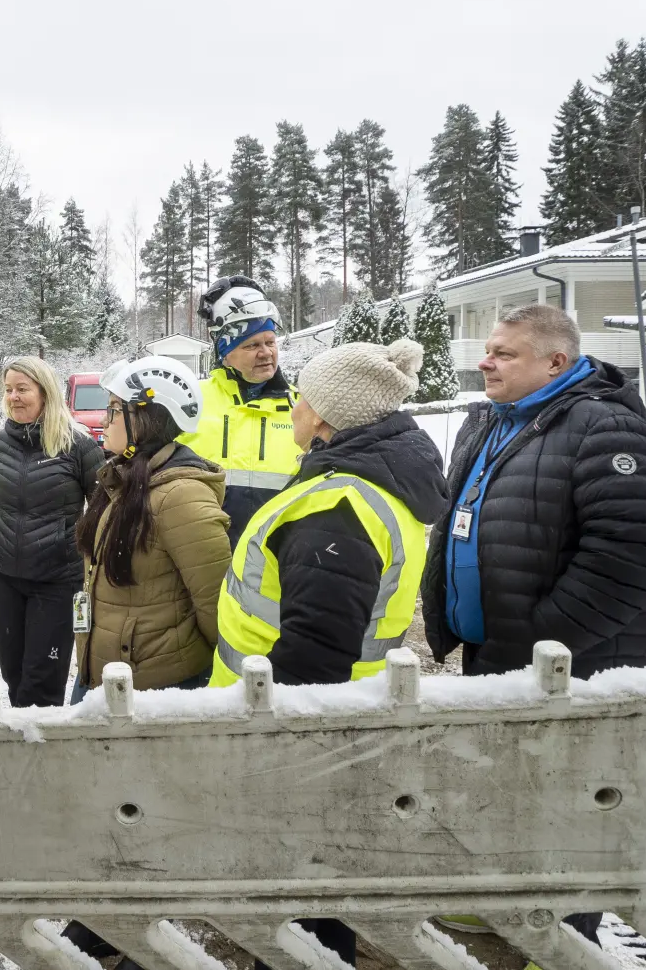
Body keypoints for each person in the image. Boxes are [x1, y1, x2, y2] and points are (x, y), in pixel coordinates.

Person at [420, 304, 646, 947]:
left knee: (567, 802)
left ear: (556, 362)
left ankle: (565, 943)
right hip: (496, 649)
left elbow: (626, 561)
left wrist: (543, 641)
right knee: (502, 788)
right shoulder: (488, 419)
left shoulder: (606, 427)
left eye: (504, 353)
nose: (485, 362)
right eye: (489, 349)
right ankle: (502, 905)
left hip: (571, 662)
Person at [211, 338, 445, 968]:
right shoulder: (359, 484)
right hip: (334, 712)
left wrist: (274, 741)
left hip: (295, 724)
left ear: (323, 413)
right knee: (320, 872)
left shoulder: (338, 506)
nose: (292, 404)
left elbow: (316, 649)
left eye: (302, 396)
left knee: (302, 881)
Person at [70, 354, 230, 699]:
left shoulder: (181, 496)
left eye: (115, 409)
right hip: (100, 674)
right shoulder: (122, 479)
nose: (104, 419)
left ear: (148, 418)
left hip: (156, 691)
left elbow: (216, 609)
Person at [0, 356, 106, 707]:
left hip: (56, 580)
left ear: (45, 392)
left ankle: (41, 739)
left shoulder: (78, 445)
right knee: (14, 674)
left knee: (42, 682)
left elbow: (101, 510)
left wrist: (67, 545)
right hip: (4, 576)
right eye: (8, 390)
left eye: (22, 389)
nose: (13, 397)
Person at [181, 276, 301, 545]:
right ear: (225, 352)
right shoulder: (191, 402)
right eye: (252, 345)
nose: (266, 353)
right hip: (204, 556)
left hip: (277, 559)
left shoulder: (301, 408)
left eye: (270, 342)